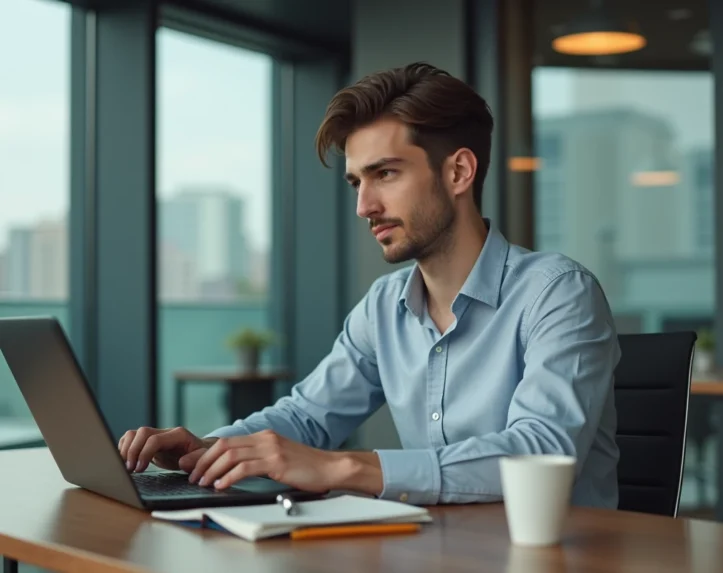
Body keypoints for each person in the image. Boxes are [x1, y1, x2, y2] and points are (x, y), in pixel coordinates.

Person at [119, 62, 621, 507]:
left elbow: (543, 450)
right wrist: (209, 448)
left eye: (385, 174)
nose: (365, 207)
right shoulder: (384, 306)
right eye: (358, 182)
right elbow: (306, 417)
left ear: (459, 172)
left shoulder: (559, 293)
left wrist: (343, 468)